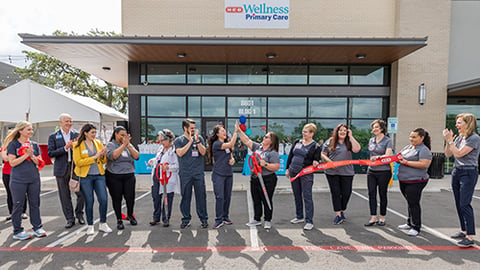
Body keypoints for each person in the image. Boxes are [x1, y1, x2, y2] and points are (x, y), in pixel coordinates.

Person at [3, 121, 46, 240]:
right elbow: (12, 162)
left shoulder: (34, 145)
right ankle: (17, 231)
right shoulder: (13, 144)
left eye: (31, 129)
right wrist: (25, 155)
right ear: (20, 131)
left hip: (33, 178)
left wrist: (32, 156)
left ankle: (37, 227)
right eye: (28, 129)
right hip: (18, 180)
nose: (31, 132)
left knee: (35, 203)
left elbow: (39, 162)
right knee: (18, 205)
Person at [443, 113, 480, 247]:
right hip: (457, 171)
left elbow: (458, 153)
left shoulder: (474, 138)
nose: (457, 125)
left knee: (465, 203)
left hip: (469, 172)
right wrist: (449, 142)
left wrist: (451, 142)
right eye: (457, 122)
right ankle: (463, 230)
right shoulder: (460, 138)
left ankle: (470, 237)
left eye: (459, 122)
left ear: (468, 123)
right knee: (459, 203)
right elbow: (448, 154)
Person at [237, 122, 280, 230]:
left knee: (266, 199)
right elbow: (246, 140)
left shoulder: (273, 153)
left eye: (266, 137)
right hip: (255, 177)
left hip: (267, 179)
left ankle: (267, 220)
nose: (263, 138)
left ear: (271, 141)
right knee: (256, 199)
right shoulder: (258, 147)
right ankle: (256, 219)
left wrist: (265, 164)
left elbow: (276, 167)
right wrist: (239, 130)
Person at [73, 123, 111, 235]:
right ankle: (90, 225)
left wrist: (103, 155)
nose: (94, 135)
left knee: (103, 199)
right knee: (89, 201)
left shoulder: (98, 143)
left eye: (95, 132)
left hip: (99, 175)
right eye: (92, 132)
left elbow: (103, 161)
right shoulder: (77, 145)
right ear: (85, 133)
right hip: (85, 177)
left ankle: (103, 223)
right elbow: (78, 162)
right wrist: (94, 157)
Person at [47, 113, 84, 228]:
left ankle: (79, 214)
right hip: (61, 168)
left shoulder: (77, 135)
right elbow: (50, 153)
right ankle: (69, 218)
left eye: (70, 121)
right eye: (66, 121)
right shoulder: (53, 136)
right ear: (61, 122)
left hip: (75, 168)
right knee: (64, 195)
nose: (69, 123)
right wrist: (65, 148)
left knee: (81, 193)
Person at [321, 124, 361, 225]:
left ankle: (342, 209)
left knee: (346, 193)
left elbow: (357, 149)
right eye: (340, 130)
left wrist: (351, 136)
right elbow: (322, 154)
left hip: (347, 172)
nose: (342, 132)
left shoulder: (349, 142)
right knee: (335, 193)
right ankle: (338, 214)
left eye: (345, 130)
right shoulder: (330, 141)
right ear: (337, 132)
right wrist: (329, 162)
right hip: (332, 172)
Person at [396, 128, 432, 237]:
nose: (411, 139)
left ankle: (416, 227)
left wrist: (406, 162)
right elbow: (399, 156)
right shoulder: (408, 147)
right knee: (410, 202)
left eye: (414, 137)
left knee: (413, 203)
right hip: (404, 180)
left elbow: (424, 164)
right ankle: (409, 222)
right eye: (410, 136)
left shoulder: (424, 150)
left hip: (416, 181)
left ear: (421, 138)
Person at [286, 123, 321, 230]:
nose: (303, 133)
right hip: (293, 171)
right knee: (297, 194)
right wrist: (287, 169)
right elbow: (291, 155)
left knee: (307, 196)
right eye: (303, 131)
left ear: (312, 133)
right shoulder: (297, 142)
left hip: (306, 174)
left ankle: (309, 221)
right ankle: (299, 216)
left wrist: (316, 162)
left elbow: (316, 159)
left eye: (305, 132)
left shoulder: (316, 146)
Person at [174, 119, 208, 229]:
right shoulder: (179, 140)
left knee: (201, 196)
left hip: (198, 173)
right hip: (185, 173)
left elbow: (203, 152)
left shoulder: (200, 139)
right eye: (191, 128)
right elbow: (180, 153)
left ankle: (203, 219)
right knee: (185, 196)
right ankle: (186, 219)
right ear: (185, 128)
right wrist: (190, 141)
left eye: (194, 128)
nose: (194, 130)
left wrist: (197, 141)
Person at [105, 126, 140, 230]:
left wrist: (128, 145)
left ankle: (130, 214)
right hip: (114, 176)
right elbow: (113, 156)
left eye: (125, 135)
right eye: (122, 135)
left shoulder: (128, 145)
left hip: (128, 175)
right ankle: (119, 219)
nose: (124, 137)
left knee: (130, 198)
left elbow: (137, 156)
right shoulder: (111, 145)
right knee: (117, 198)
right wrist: (123, 145)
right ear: (116, 134)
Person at [208, 124, 238, 229]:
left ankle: (225, 217)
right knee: (220, 197)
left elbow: (230, 155)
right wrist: (236, 132)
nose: (224, 132)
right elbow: (231, 144)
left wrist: (232, 160)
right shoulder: (216, 144)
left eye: (225, 130)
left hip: (228, 174)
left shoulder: (226, 145)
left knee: (227, 197)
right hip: (218, 174)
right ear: (217, 134)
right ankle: (218, 219)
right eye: (222, 131)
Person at [148, 129, 180, 227]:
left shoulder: (174, 151)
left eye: (163, 140)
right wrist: (152, 161)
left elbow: (176, 165)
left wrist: (168, 167)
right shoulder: (160, 149)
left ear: (169, 140)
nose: (161, 142)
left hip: (167, 178)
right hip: (157, 176)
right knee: (156, 197)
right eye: (160, 140)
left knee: (167, 198)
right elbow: (158, 159)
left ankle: (166, 218)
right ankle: (156, 217)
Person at [365, 119, 393, 227]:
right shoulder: (371, 140)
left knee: (382, 194)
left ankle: (382, 217)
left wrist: (378, 157)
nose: (374, 129)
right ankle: (373, 217)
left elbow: (389, 155)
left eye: (376, 127)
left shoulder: (387, 140)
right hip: (371, 171)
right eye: (373, 127)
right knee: (371, 193)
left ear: (382, 128)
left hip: (384, 171)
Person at [1, 130, 28, 221]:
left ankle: (23, 212)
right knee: (10, 193)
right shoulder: (5, 147)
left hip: (19, 172)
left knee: (22, 193)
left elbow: (23, 156)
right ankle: (11, 212)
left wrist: (14, 156)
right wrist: (14, 155)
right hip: (7, 173)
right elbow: (5, 158)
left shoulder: (20, 145)